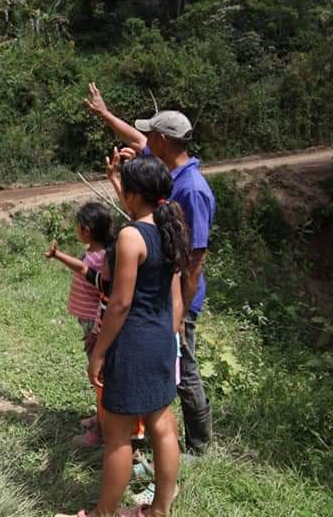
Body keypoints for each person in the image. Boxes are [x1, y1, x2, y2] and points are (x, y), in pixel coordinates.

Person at [85, 82, 216, 456]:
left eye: (149, 134)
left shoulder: (191, 189)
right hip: (159, 292)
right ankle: (150, 435)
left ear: (160, 140)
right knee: (164, 370)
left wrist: (181, 312)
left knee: (184, 368)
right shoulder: (166, 174)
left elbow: (194, 259)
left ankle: (198, 447)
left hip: (176, 297)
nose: (143, 138)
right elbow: (135, 140)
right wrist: (105, 114)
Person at [60, 156, 187, 517]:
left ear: (132, 193)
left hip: (132, 345)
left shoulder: (132, 236)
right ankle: (159, 511)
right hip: (162, 340)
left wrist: (99, 352)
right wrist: (167, 338)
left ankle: (103, 515)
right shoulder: (170, 228)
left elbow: (119, 304)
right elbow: (176, 300)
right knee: (162, 426)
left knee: (117, 437)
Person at [44, 202, 116, 447]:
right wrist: (58, 255)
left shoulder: (101, 260)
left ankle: (101, 432)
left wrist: (95, 332)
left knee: (99, 377)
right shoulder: (97, 253)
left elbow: (102, 297)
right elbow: (81, 267)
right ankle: (100, 418)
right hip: (91, 325)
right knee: (99, 376)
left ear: (85, 230)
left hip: (95, 327)